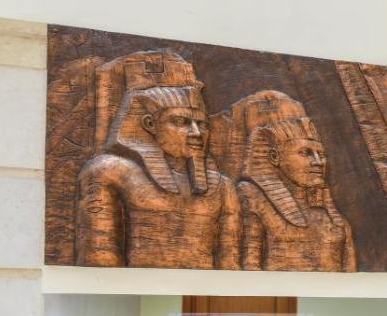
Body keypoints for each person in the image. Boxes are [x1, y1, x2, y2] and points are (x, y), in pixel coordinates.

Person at [76, 51, 239, 269]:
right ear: (149, 124)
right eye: (180, 121)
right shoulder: (108, 172)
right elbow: (99, 260)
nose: (196, 133)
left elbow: (230, 265)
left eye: (202, 124)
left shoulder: (222, 187)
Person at [235, 91, 356, 271]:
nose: (318, 162)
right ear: (274, 157)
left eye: (321, 154)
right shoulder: (254, 203)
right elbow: (249, 269)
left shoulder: (337, 222)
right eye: (306, 153)